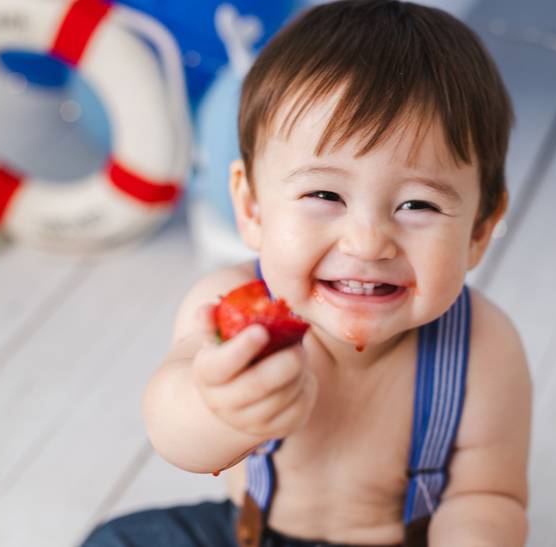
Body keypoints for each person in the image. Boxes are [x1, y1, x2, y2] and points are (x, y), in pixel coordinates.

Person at [81, 1, 531, 545]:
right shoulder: (232, 304)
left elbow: (487, 497)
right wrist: (218, 405)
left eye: (418, 205)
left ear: (480, 229)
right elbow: (177, 435)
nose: (367, 242)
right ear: (251, 208)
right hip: (247, 535)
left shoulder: (484, 347)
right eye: (325, 194)